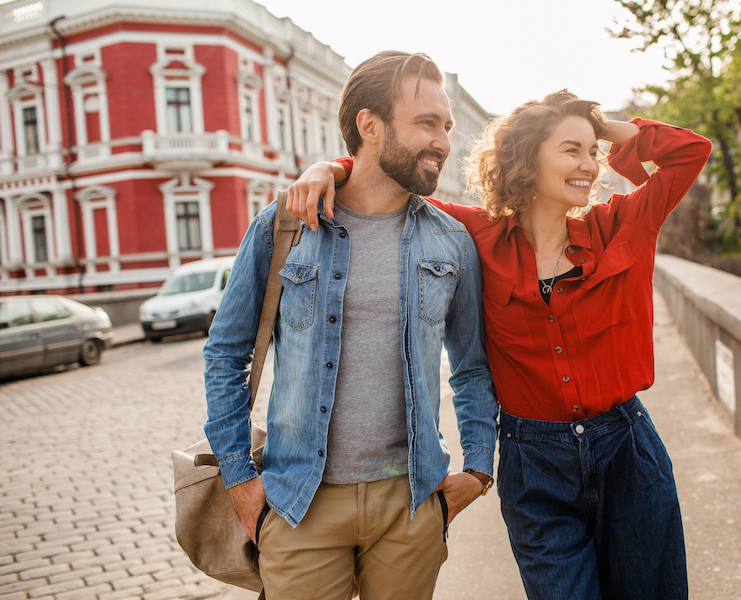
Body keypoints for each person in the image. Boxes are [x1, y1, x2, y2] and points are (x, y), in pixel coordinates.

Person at [291, 90, 712, 600]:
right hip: (534, 468)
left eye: (592, 152)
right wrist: (327, 168)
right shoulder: (476, 235)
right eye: (570, 150)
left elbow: (690, 151)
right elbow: (390, 184)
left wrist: (596, 124)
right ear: (526, 158)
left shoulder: (624, 222)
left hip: (626, 451)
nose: (588, 165)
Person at [203, 51, 498, 600]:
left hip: (410, 505)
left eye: (447, 126)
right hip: (299, 504)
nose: (443, 142)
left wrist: (478, 469)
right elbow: (226, 352)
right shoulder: (286, 226)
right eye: (426, 123)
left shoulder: (452, 241)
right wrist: (240, 481)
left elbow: (473, 367)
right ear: (370, 125)